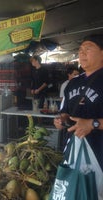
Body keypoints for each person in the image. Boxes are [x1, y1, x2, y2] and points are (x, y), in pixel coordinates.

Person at [54, 34, 103, 198]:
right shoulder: (72, 83)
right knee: (73, 192)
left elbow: (91, 123)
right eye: (80, 50)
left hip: (99, 154)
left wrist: (92, 124)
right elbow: (64, 110)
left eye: (88, 49)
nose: (82, 53)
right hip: (73, 151)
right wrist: (62, 120)